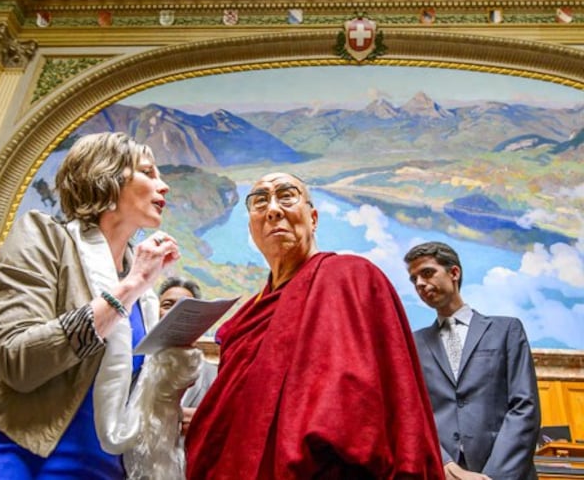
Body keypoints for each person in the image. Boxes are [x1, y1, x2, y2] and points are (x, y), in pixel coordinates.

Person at [0, 132, 196, 479]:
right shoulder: (43, 237)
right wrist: (128, 287)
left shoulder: (146, 294)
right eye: (148, 172)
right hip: (18, 459)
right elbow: (18, 359)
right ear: (107, 178)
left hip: (103, 469)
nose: (164, 185)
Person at [186, 172, 444, 479]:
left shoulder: (350, 278)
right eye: (260, 201)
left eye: (286, 196)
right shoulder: (246, 319)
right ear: (252, 228)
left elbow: (371, 403)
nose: (273, 209)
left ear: (314, 218)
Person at [404, 241, 541, 480]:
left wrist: (494, 477)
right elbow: (415, 415)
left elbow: (524, 406)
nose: (420, 284)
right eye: (414, 279)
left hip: (507, 473)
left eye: (427, 273)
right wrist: (446, 466)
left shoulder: (506, 330)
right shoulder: (413, 344)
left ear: (454, 273)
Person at [157, 276, 218, 435]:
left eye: (186, 308)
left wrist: (202, 422)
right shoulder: (134, 366)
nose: (175, 313)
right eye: (168, 305)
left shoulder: (215, 376)